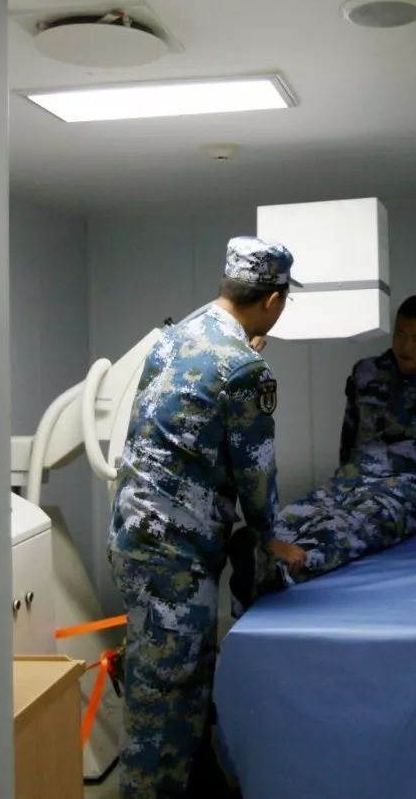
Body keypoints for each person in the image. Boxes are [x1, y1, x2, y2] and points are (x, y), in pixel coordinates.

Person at [107, 236, 307, 798]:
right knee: (163, 705)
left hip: (134, 532)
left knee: (173, 677)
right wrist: (271, 536)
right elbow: (255, 469)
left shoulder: (176, 338)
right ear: (272, 300)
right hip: (175, 554)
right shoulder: (245, 369)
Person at [230, 294, 416, 607]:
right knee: (292, 517)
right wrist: (342, 479)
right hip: (349, 479)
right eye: (401, 334)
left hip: (401, 492)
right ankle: (257, 550)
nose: (407, 346)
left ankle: (276, 572)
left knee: (346, 529)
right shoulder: (366, 372)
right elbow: (349, 431)